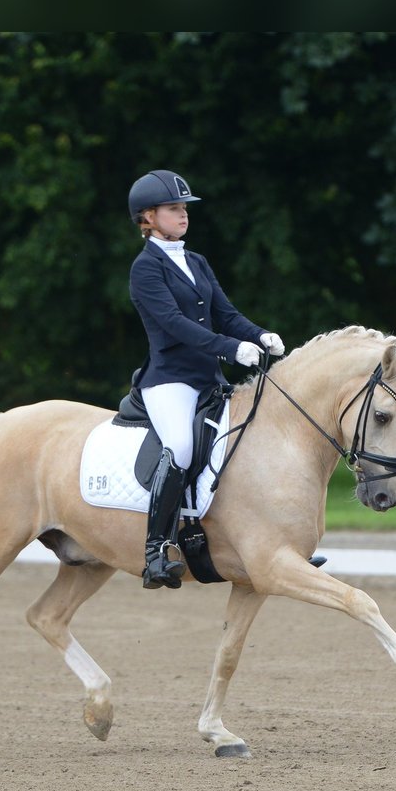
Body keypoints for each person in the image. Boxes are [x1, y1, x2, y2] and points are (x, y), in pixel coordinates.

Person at [126, 169, 285, 590]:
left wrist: (258, 335)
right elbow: (174, 323)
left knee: (248, 441)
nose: (183, 215)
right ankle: (156, 549)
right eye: (173, 209)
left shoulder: (196, 261)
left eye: (184, 209)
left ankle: (273, 544)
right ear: (148, 217)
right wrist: (229, 349)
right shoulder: (145, 269)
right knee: (179, 447)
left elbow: (226, 314)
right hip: (170, 381)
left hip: (208, 380)